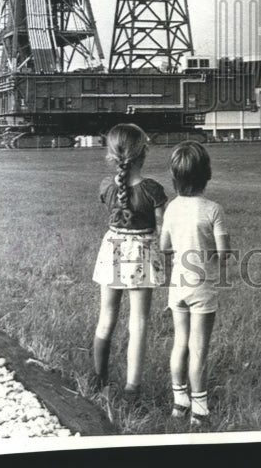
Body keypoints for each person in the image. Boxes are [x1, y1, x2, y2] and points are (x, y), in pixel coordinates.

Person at [91, 123, 167, 400]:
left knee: (106, 319)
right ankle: (132, 390)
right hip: (141, 255)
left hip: (111, 250)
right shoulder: (153, 190)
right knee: (139, 323)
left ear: (111, 154)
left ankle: (98, 380)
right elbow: (162, 228)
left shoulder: (105, 187)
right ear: (144, 152)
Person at [160, 140, 230, 428]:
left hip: (177, 287)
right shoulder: (213, 209)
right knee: (199, 347)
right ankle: (199, 409)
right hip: (202, 288)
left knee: (180, 344)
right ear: (207, 174)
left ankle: (180, 402)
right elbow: (223, 252)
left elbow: (164, 247)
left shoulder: (172, 208)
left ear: (174, 177)